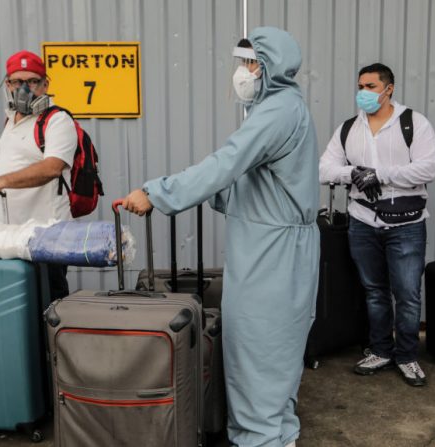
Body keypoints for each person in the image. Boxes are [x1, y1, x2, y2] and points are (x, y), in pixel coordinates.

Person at [121, 28, 319, 447]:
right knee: (278, 353)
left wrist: (157, 193)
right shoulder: (286, 108)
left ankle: (260, 440)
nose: (243, 73)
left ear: (269, 67)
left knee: (258, 350)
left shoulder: (277, 112)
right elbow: (248, 179)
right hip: (280, 246)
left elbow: (224, 165)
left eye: (250, 64)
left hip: (271, 253)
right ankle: (279, 435)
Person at [319, 63, 435, 387]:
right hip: (362, 222)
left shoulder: (414, 124)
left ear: (389, 89)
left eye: (371, 86)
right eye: (360, 86)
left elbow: (427, 168)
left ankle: (408, 356)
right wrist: (354, 173)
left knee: (408, 294)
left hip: (407, 224)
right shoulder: (349, 129)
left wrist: (380, 174)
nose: (364, 93)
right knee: (374, 292)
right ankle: (381, 350)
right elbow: (325, 168)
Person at [0, 50, 76, 301]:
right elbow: (16, 168)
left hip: (45, 237)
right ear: (7, 84)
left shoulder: (56, 120)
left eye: (32, 81)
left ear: (45, 84)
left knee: (47, 305)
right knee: (18, 307)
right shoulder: (11, 121)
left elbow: (52, 167)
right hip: (12, 234)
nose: (24, 89)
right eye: (17, 81)